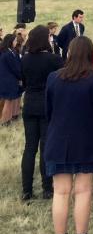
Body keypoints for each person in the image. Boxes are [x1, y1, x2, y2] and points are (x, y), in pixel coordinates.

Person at [45, 37, 93, 234]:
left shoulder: (53, 78)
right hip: (87, 140)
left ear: (70, 53)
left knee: (61, 192)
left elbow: (50, 111)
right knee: (83, 191)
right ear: (91, 54)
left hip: (59, 139)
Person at [20, 25, 63, 201]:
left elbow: (23, 80)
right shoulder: (53, 59)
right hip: (46, 104)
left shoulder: (24, 59)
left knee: (30, 148)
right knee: (45, 147)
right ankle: (47, 188)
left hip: (29, 102)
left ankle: (27, 189)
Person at [0, 32, 22, 125]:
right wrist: (21, 76)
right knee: (9, 100)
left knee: (15, 97)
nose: (16, 42)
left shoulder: (12, 51)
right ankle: (5, 120)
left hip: (12, 79)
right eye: (15, 40)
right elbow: (14, 67)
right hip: (8, 80)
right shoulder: (7, 54)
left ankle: (14, 114)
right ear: (10, 41)